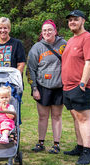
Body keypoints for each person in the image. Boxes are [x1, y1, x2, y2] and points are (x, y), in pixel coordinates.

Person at [62, 10, 90, 165]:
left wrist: (82, 84)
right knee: (76, 118)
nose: (72, 22)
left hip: (82, 87)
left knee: (83, 118)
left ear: (83, 21)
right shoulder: (71, 40)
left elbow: (89, 63)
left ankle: (87, 152)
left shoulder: (89, 39)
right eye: (70, 20)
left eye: (75, 19)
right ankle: (79, 146)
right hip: (68, 87)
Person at [27, 19, 67, 154]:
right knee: (43, 116)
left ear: (55, 31)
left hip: (59, 86)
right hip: (42, 87)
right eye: (44, 30)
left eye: (50, 30)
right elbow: (31, 70)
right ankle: (40, 142)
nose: (47, 32)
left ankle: (56, 144)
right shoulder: (37, 47)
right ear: (42, 33)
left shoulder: (64, 45)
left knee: (57, 116)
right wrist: (34, 89)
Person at [0, 17, 26, 124]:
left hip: (11, 84)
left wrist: (15, 78)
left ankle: (11, 132)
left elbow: (21, 63)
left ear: (9, 29)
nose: (3, 31)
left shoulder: (17, 44)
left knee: (10, 110)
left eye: (5, 28)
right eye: (0, 28)